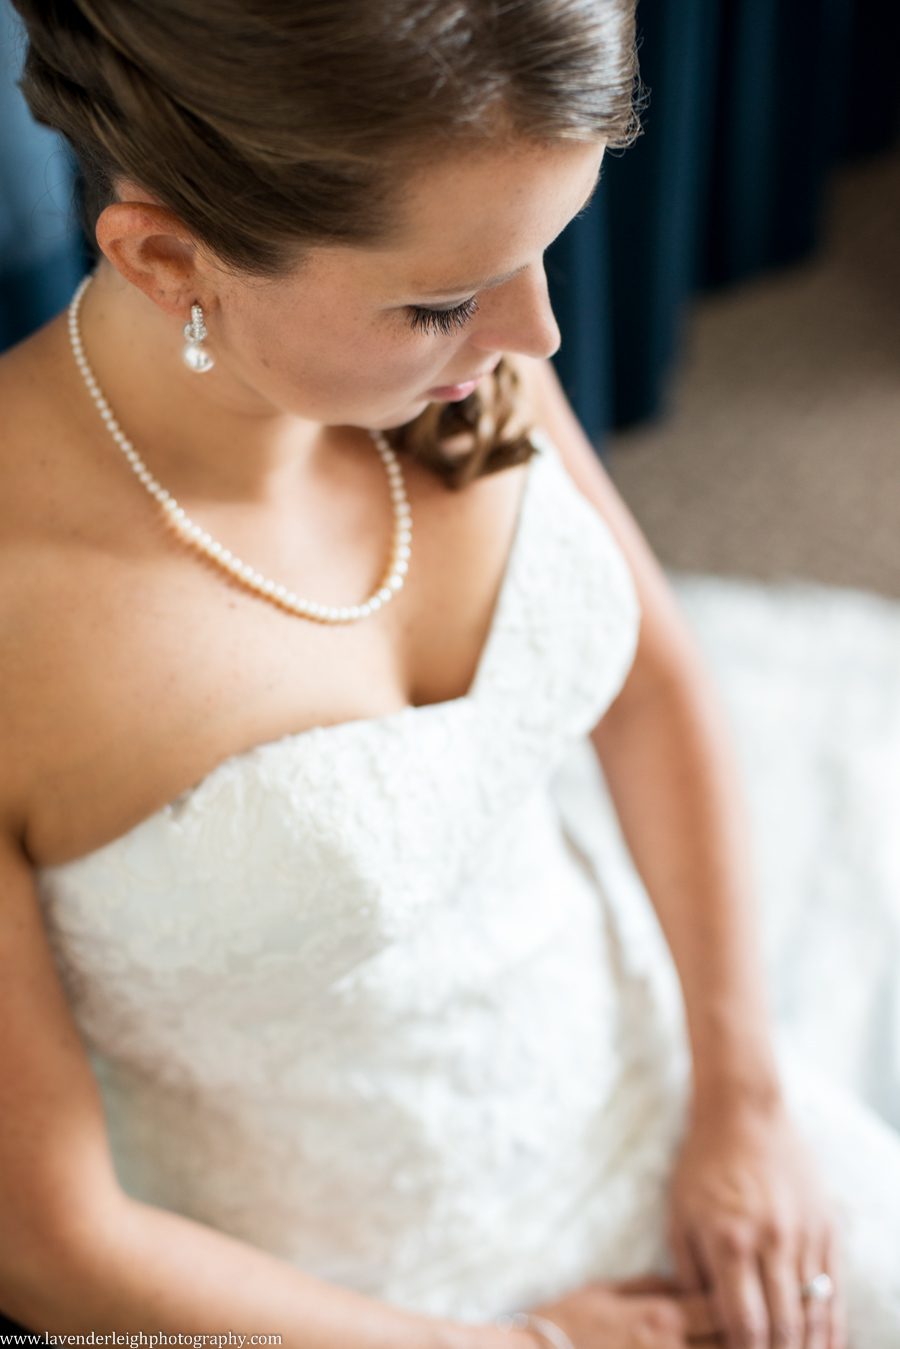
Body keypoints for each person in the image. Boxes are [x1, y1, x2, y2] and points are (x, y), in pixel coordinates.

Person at [1, 2, 899, 1346]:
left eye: (545, 252)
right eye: (441, 299)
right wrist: (523, 1345)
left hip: (645, 1063)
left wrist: (742, 1102)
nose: (537, 338)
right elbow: (51, 1243)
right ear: (167, 258)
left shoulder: (457, 362)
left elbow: (653, 689)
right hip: (333, 1288)